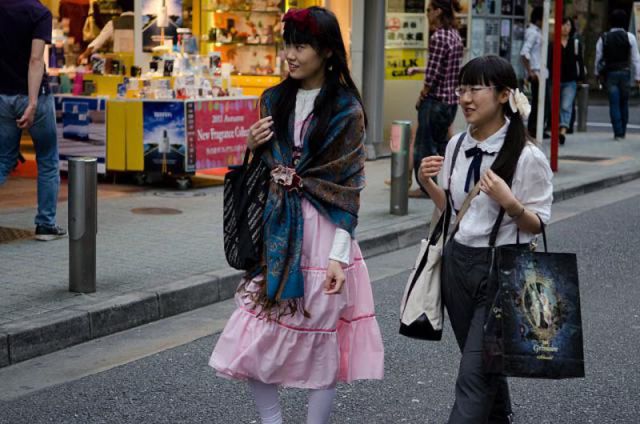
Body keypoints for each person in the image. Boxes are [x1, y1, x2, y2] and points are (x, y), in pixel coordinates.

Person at [209, 7, 384, 424]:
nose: (289, 54)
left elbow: (348, 188)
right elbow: (263, 168)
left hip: (325, 236)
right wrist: (252, 145)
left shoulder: (346, 110)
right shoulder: (273, 98)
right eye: (286, 43)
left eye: (300, 45)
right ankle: (272, 420)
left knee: (321, 338)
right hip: (278, 230)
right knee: (255, 331)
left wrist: (339, 256)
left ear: (326, 52)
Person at [417, 55, 553, 423]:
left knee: (474, 375)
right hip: (458, 266)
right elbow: (456, 211)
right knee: (484, 365)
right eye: (462, 88)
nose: (465, 98)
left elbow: (537, 222)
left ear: (504, 94)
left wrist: (510, 203)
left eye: (476, 88)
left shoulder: (527, 156)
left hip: (502, 273)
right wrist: (427, 183)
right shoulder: (457, 145)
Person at [0, 0, 67, 241]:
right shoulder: (39, 13)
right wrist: (32, 103)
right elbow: (36, 61)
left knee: (3, 159)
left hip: (3, 97)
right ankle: (45, 225)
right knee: (48, 159)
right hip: (34, 94)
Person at [406, 0, 464, 198]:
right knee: (440, 146)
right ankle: (443, 185)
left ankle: (425, 188)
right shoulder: (455, 36)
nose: (427, 14)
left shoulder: (439, 36)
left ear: (438, 11)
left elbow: (433, 74)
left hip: (436, 101)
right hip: (451, 102)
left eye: (429, 10)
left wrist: (423, 94)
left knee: (425, 146)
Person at [594, 9, 640, 141]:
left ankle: (617, 132)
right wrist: (638, 77)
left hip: (611, 73)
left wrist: (597, 73)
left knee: (614, 102)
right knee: (624, 101)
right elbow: (636, 59)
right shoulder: (629, 37)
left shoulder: (604, 37)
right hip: (625, 72)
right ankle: (623, 129)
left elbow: (598, 57)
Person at [553, 17, 585, 145]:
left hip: (570, 79)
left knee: (566, 105)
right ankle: (556, 128)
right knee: (555, 106)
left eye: (568, 25)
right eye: (563, 24)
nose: (565, 27)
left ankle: (563, 131)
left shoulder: (575, 43)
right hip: (555, 78)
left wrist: (581, 77)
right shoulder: (554, 42)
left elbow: (580, 61)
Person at [520, 6, 549, 139]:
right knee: (540, 102)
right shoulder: (533, 32)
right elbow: (525, 52)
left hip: (541, 72)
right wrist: (530, 72)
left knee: (541, 102)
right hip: (537, 72)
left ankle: (537, 128)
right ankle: (534, 128)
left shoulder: (537, 31)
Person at [77, 0, 134, 64]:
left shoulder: (112, 24)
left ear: (119, 7)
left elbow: (97, 43)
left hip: (119, 65)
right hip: (138, 64)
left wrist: (84, 55)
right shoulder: (142, 24)